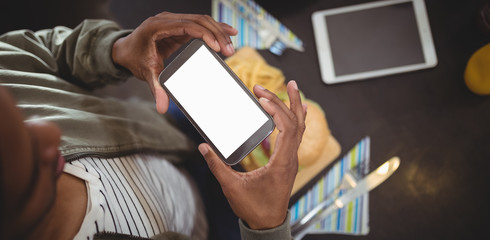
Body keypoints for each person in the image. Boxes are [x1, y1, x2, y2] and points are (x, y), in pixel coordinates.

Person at [0, 11, 307, 240]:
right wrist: (267, 228)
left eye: (20, 117)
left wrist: (116, 50)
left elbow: (38, 53)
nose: (50, 130)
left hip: (173, 140)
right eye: (26, 154)